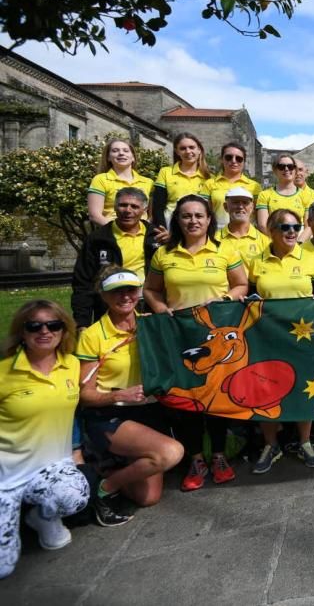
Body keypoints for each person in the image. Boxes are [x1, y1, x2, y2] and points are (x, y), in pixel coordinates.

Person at [143, 194, 248, 491]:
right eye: (186, 216)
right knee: (186, 400)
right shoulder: (165, 253)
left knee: (215, 399)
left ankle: (218, 456)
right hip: (180, 335)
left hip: (213, 337)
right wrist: (162, 311)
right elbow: (150, 289)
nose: (193, 221)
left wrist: (224, 299)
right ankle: (195, 458)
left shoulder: (224, 249)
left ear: (209, 220)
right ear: (177, 220)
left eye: (199, 216)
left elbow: (241, 284)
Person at [76, 268, 184, 526]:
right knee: (169, 454)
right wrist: (117, 396)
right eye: (116, 291)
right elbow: (84, 396)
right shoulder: (92, 336)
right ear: (103, 295)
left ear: (139, 293)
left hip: (147, 411)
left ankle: (109, 467)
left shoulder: (150, 324)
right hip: (111, 413)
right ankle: (103, 487)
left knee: (148, 498)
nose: (125, 296)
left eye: (131, 290)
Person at [0, 301, 89, 579]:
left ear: (64, 330)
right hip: (5, 475)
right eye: (34, 326)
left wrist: (75, 449)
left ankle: (41, 516)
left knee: (76, 494)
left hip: (49, 468)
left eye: (53, 325)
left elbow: (69, 409)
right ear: (22, 332)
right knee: (4, 567)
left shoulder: (72, 364)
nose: (45, 331)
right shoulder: (4, 372)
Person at [247, 210, 314, 474]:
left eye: (296, 226)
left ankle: (304, 442)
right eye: (285, 227)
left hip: (303, 337)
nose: (292, 232)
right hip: (268, 337)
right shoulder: (256, 261)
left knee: (305, 388)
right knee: (266, 391)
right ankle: (271, 445)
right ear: (271, 230)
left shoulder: (310, 259)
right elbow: (250, 296)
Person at [72, 187, 158, 328]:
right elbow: (82, 282)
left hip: (148, 304)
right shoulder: (98, 239)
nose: (128, 210)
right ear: (115, 207)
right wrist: (82, 322)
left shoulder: (156, 236)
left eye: (134, 206)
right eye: (123, 205)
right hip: (111, 304)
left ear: (144, 210)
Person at [87, 138, 154, 226]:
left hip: (142, 235)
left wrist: (145, 230)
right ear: (108, 158)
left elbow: (152, 215)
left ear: (133, 157)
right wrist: (118, 231)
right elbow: (95, 215)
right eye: (115, 151)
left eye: (126, 151)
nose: (121, 153)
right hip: (112, 234)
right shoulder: (100, 179)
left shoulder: (149, 183)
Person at [152, 132, 211, 230]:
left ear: (199, 150)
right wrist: (162, 230)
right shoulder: (166, 172)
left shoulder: (208, 178)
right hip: (170, 225)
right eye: (183, 148)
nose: (188, 151)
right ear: (177, 151)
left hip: (197, 227)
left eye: (192, 147)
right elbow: (158, 207)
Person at [205, 142, 261, 228]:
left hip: (246, 237)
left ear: (244, 162)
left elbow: (259, 216)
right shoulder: (209, 184)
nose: (233, 161)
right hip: (217, 235)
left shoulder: (255, 186)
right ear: (221, 159)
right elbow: (204, 213)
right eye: (228, 157)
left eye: (239, 158)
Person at [256, 155, 313, 240]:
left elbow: (309, 225)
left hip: (298, 243)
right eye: (281, 167)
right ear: (275, 170)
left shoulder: (306, 195)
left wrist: (298, 242)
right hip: (273, 242)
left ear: (295, 170)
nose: (286, 169)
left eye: (290, 166)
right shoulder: (264, 195)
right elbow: (263, 225)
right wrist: (278, 242)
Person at [217, 187, 270, 268]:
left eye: (245, 203)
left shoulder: (265, 242)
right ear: (225, 207)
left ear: (252, 207)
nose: (240, 206)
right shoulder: (214, 240)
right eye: (235, 202)